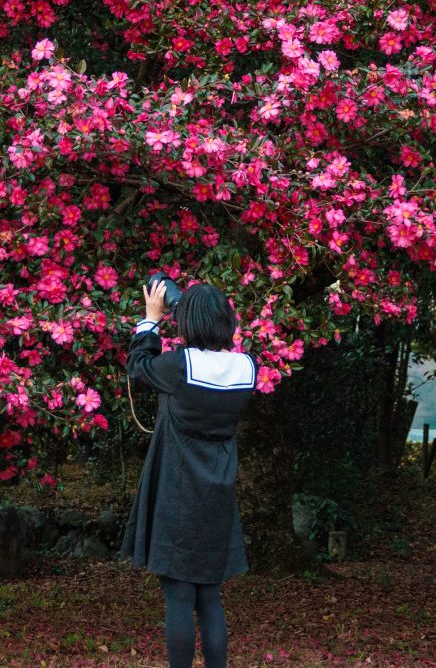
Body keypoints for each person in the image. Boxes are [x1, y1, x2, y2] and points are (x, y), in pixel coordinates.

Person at [120, 277, 256, 668]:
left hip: (178, 492)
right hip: (218, 492)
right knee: (209, 596)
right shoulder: (247, 367)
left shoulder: (179, 366)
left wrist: (151, 319)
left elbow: (139, 366)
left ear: (187, 321)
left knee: (179, 596)